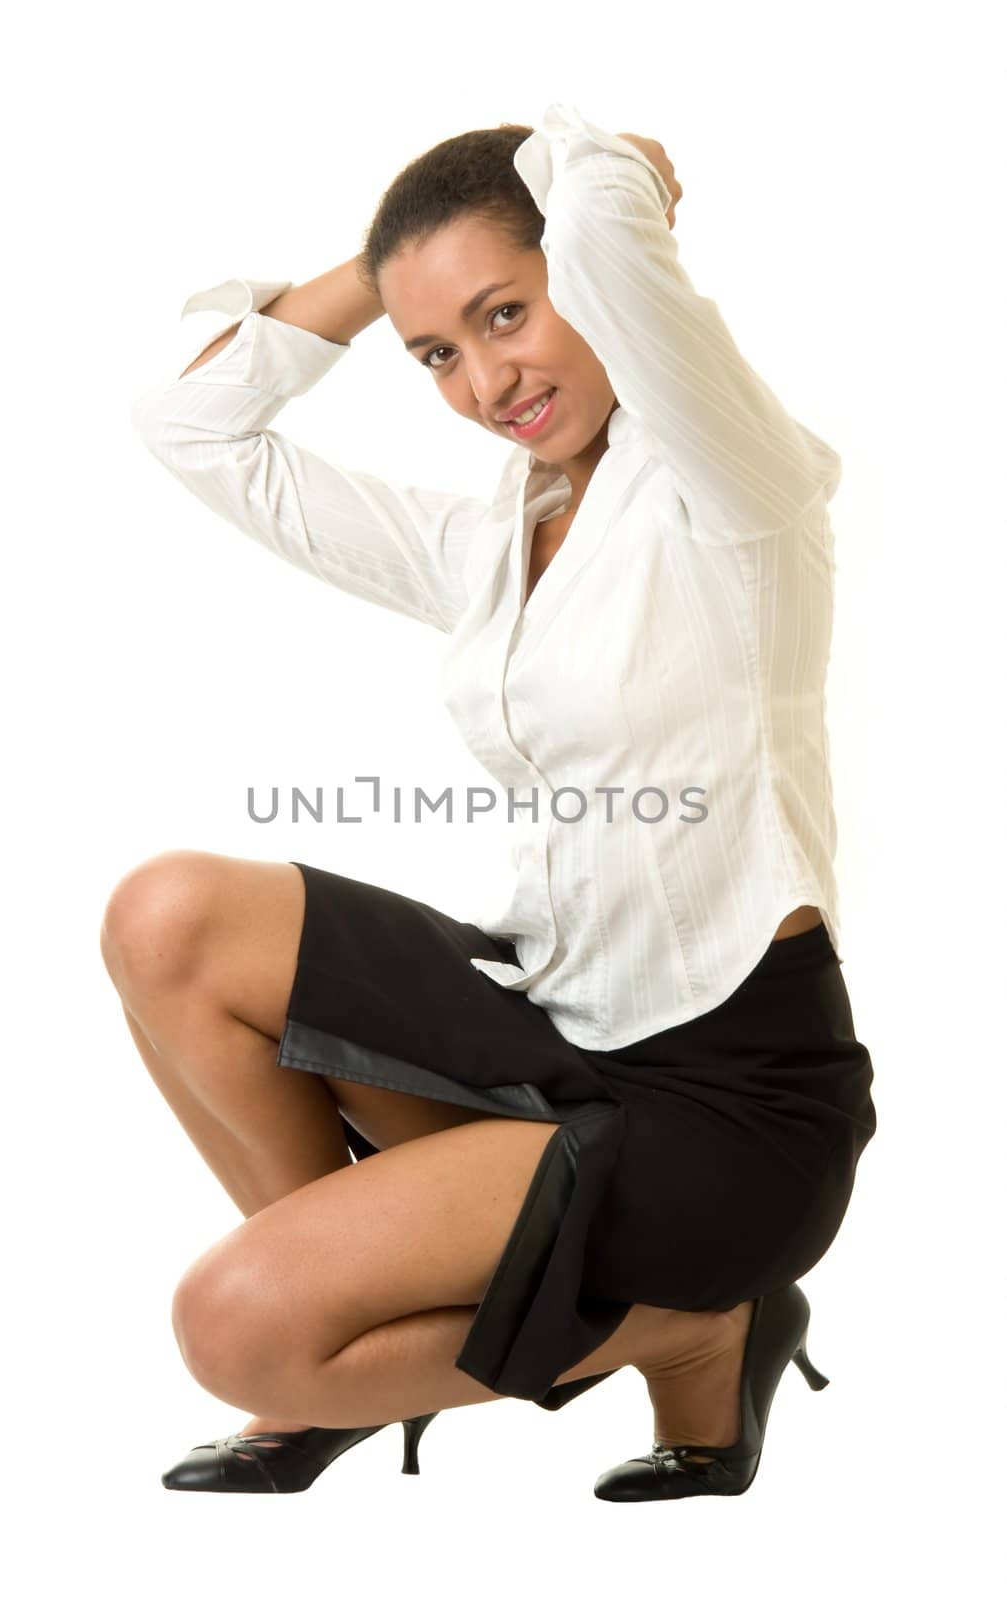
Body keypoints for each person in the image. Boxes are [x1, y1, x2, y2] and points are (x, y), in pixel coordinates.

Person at [110, 100, 877, 1502]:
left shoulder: (732, 482)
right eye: (437, 355)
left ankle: (699, 1315)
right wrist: (381, 262)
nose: (486, 380)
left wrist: (604, 172)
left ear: (588, 280)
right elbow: (192, 426)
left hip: (724, 1109)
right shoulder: (494, 538)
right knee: (168, 916)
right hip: (556, 1022)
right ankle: (360, 1332)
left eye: (509, 313)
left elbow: (597, 207)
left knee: (231, 1330)